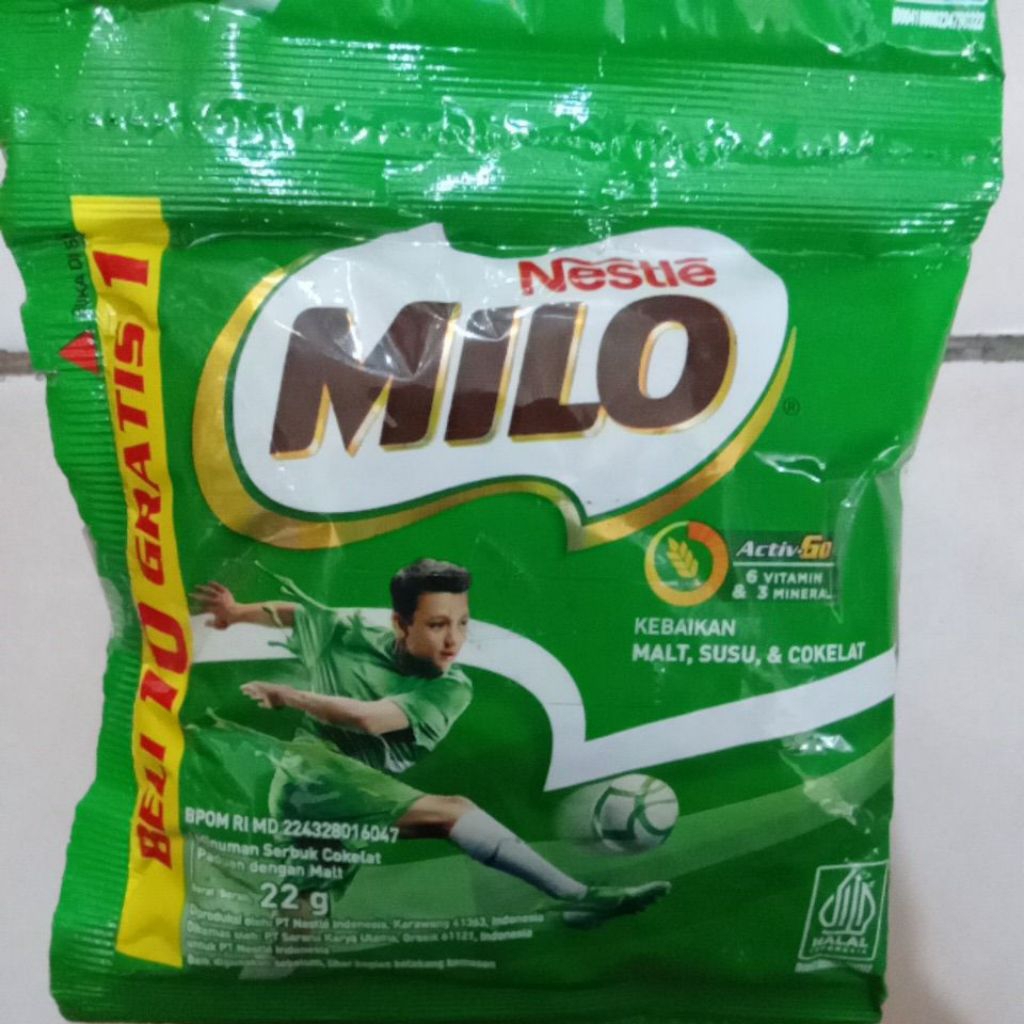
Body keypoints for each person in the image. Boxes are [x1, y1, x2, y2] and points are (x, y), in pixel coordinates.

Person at [193, 559, 670, 927]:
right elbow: (300, 615)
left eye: (462, 623)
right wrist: (236, 614)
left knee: (303, 914)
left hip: (340, 790)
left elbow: (369, 720)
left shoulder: (451, 688)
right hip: (313, 774)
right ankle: (577, 896)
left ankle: (270, 988)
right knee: (453, 811)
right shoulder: (352, 636)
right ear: (400, 625)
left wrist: (289, 695)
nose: (453, 640)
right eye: (438, 625)